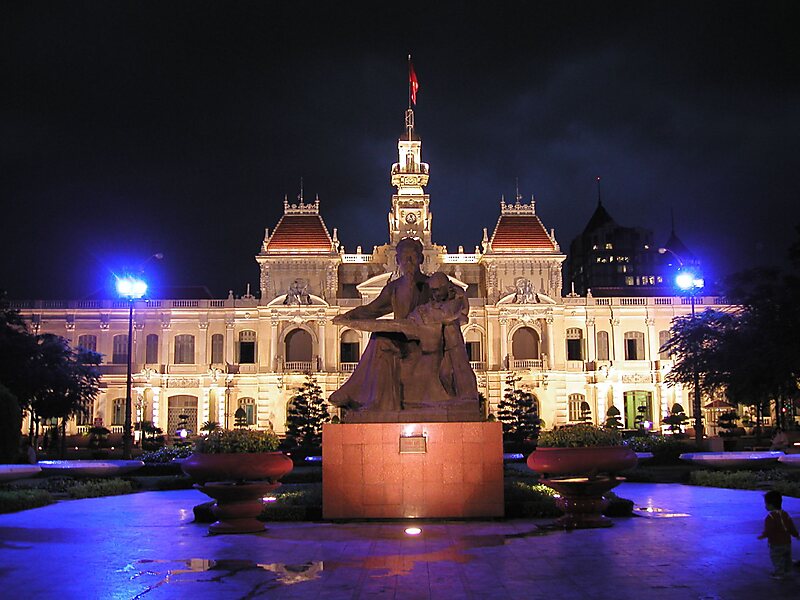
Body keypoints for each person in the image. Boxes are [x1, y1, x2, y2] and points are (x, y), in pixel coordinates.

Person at [329, 237, 431, 411]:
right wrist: (348, 316)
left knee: (382, 340)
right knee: (380, 339)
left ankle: (359, 394)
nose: (408, 261)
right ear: (397, 260)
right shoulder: (394, 288)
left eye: (412, 256)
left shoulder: (431, 285)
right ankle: (378, 401)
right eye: (403, 257)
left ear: (421, 258)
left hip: (426, 341)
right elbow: (372, 310)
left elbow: (450, 305)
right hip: (403, 339)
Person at [757, 490, 799, 579]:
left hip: (776, 543)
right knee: (787, 557)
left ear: (771, 505)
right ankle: (787, 571)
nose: (765, 506)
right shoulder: (785, 514)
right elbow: (791, 526)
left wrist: (763, 535)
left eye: (766, 504)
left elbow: (769, 530)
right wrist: (796, 535)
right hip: (787, 542)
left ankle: (779, 573)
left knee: (777, 558)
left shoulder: (770, 517)